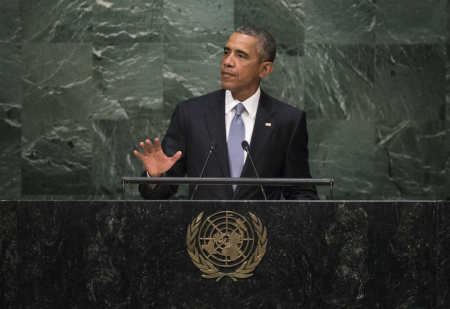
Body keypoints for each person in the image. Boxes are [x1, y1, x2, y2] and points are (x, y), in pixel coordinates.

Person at [133, 26, 318, 200]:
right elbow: (158, 192)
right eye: (226, 52)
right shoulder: (191, 113)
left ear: (265, 69)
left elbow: (301, 193)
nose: (228, 62)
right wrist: (154, 178)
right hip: (204, 231)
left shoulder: (288, 121)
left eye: (241, 56)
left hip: (262, 232)